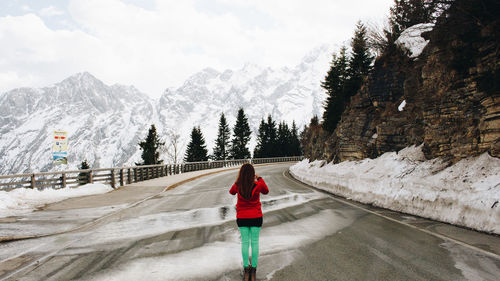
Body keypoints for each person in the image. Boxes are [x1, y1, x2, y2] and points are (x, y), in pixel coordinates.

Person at [229, 163, 269, 281]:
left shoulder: (238, 185)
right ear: (252, 174)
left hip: (242, 218)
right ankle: (254, 268)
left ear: (241, 174)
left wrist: (238, 180)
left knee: (245, 243)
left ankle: (246, 268)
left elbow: (231, 192)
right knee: (255, 242)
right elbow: (266, 191)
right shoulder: (257, 185)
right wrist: (259, 178)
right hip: (256, 217)